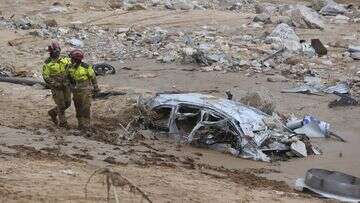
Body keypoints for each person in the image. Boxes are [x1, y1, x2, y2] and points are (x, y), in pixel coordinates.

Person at [67, 49, 99, 131]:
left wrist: (96, 88)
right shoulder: (69, 67)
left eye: (72, 58)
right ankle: (80, 124)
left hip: (85, 91)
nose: (71, 60)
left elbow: (93, 77)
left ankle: (87, 125)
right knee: (78, 107)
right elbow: (68, 78)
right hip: (76, 91)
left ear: (76, 59)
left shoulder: (86, 67)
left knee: (86, 107)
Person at [42, 42, 71, 127]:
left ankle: (53, 112)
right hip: (56, 87)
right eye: (56, 50)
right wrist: (54, 83)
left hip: (66, 84)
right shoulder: (47, 63)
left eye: (59, 50)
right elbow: (46, 76)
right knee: (61, 105)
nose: (58, 52)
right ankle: (63, 123)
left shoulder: (65, 59)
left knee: (68, 103)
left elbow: (72, 67)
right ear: (51, 52)